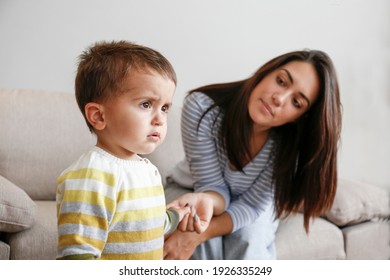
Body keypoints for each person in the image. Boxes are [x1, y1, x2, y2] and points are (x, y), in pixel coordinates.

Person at [163, 49, 342, 260]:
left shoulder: (288, 148)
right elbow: (210, 187)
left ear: (299, 117)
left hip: (251, 204)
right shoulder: (201, 107)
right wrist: (199, 226)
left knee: (249, 238)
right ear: (266, 72)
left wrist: (197, 236)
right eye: (281, 81)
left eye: (296, 102)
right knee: (193, 224)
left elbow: (251, 206)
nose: (279, 98)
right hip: (194, 188)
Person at [56, 41, 210, 260]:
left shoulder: (146, 169)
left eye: (165, 107)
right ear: (99, 116)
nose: (159, 119)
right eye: (146, 104)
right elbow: (77, 256)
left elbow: (146, 227)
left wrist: (175, 216)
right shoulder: (92, 175)